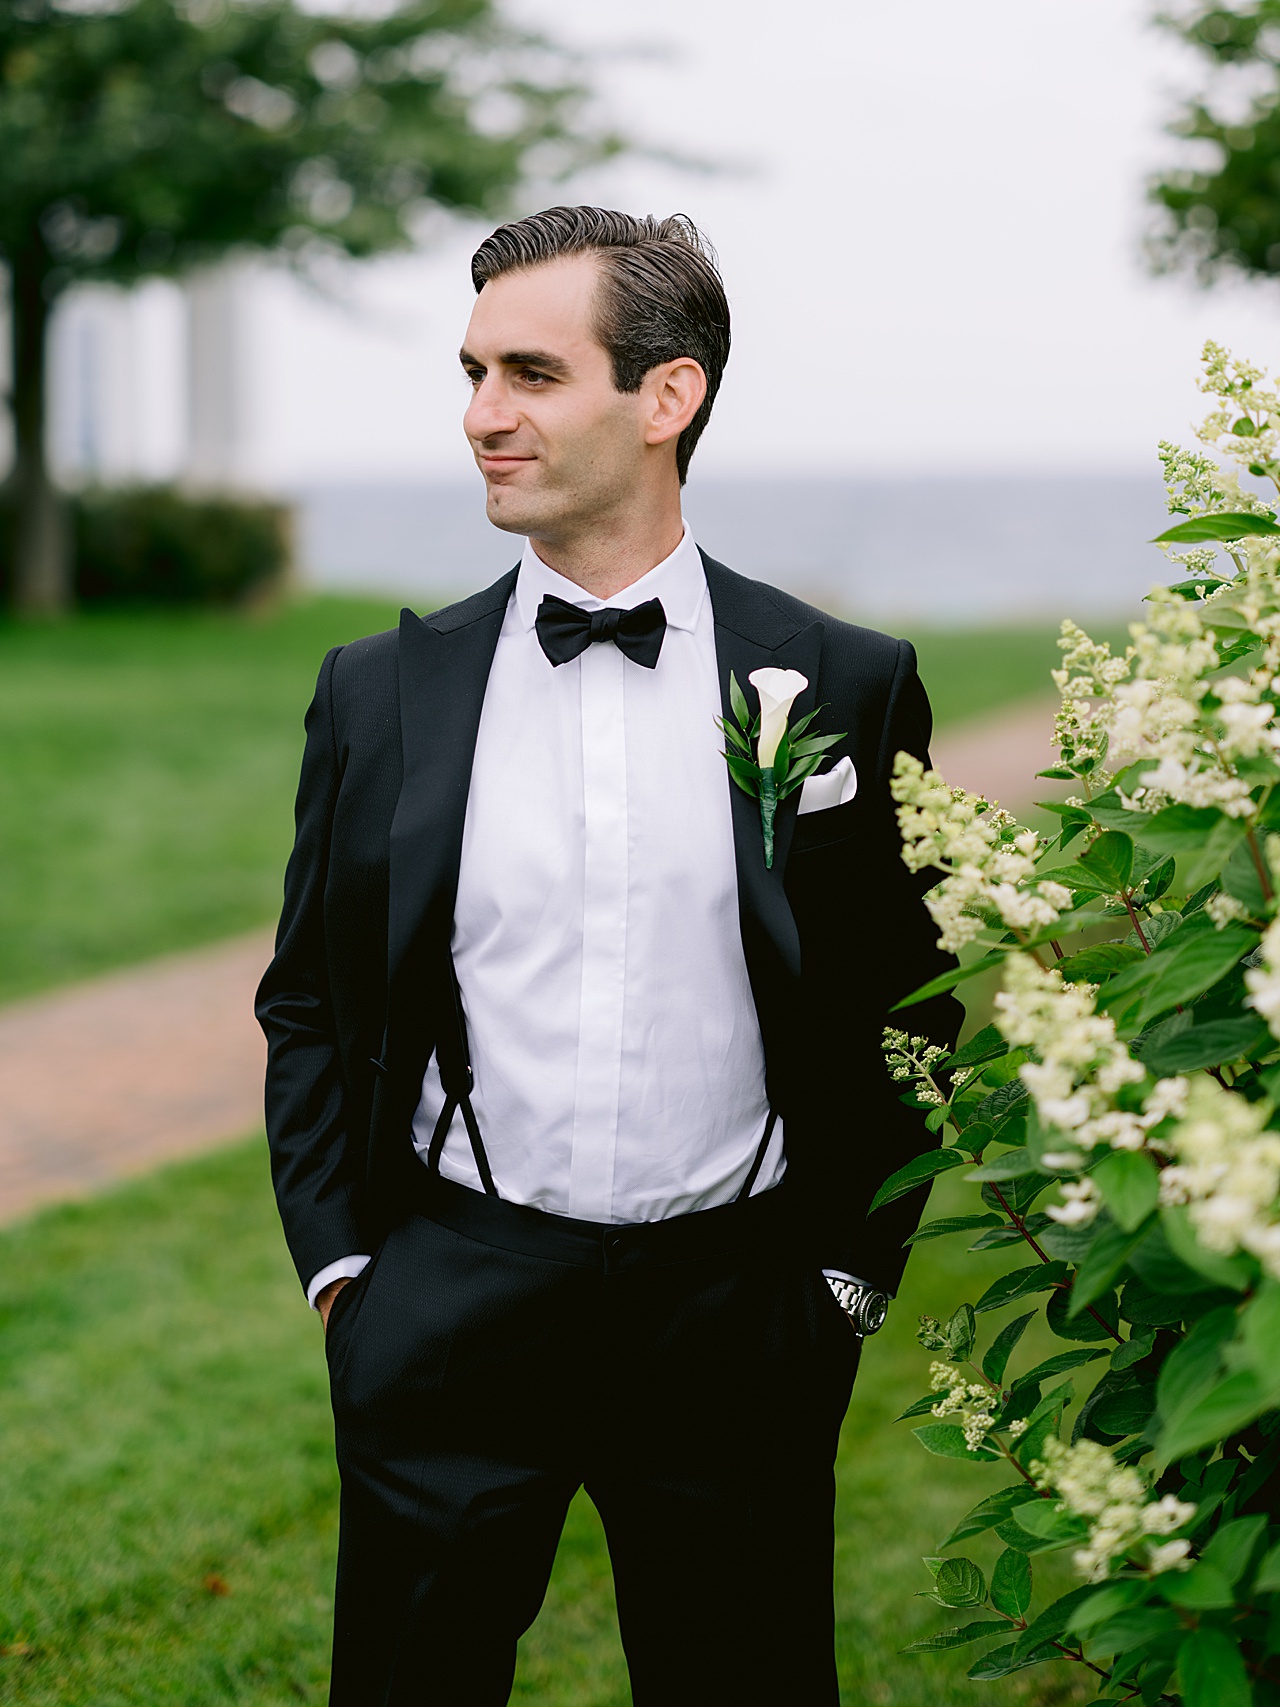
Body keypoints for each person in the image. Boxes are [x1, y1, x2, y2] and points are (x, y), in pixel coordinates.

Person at [257, 204, 961, 1707]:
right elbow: (310, 1000)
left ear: (666, 397)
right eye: (470, 373)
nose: (480, 418)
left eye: (527, 373)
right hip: (452, 1292)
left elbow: (910, 1003)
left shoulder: (841, 682)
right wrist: (345, 1273)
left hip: (738, 1310)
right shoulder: (378, 694)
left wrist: (845, 1279)